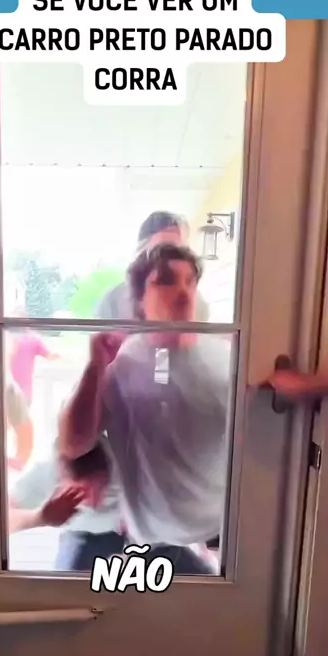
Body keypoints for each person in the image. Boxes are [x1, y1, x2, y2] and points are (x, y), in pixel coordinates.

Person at [59, 243, 232, 574]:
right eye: (166, 281)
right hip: (152, 543)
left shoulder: (227, 360)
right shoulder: (120, 364)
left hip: (221, 534)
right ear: (140, 300)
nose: (184, 292)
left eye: (190, 281)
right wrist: (96, 366)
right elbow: (73, 444)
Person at [8, 439, 126, 571]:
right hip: (77, 533)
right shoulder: (45, 473)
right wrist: (39, 518)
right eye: (82, 493)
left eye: (101, 489)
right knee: (66, 577)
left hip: (124, 532)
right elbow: (1, 522)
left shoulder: (126, 464)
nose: (94, 503)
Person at [95, 211, 210, 322]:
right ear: (141, 251)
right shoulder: (111, 302)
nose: (171, 257)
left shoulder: (198, 304)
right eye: (162, 249)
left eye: (177, 250)